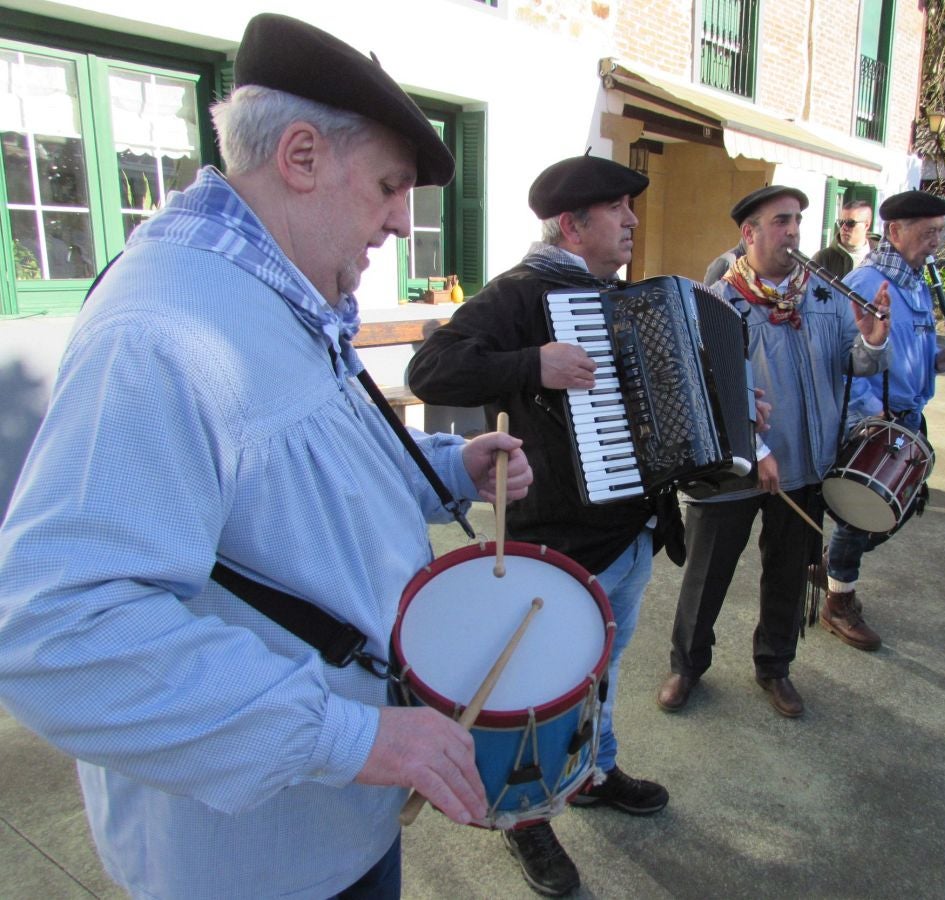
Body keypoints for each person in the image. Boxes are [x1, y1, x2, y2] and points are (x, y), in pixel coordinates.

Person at [0, 14, 534, 899]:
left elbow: (293, 483)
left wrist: (444, 468)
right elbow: (59, 633)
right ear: (300, 156)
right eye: (388, 185)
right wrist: (353, 738)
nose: (403, 222)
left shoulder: (271, 284)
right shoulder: (163, 332)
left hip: (338, 814)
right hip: (260, 863)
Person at [407, 153, 672, 897]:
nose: (631, 222)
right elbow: (433, 368)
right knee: (536, 684)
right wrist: (533, 364)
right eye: (618, 209)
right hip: (558, 540)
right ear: (571, 223)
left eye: (630, 209)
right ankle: (525, 815)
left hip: (631, 531)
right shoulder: (523, 293)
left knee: (603, 669)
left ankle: (592, 770)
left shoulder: (620, 299)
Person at [656, 185, 890, 719]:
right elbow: (705, 386)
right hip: (733, 466)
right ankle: (686, 667)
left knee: (788, 572)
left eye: (798, 222)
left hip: (805, 466)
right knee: (707, 571)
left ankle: (775, 668)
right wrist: (756, 446)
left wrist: (873, 341)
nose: (792, 232)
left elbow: (854, 365)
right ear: (750, 233)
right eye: (781, 221)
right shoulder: (719, 300)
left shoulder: (827, 297)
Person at [820, 190, 945, 651]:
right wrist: (867, 417)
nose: (934, 243)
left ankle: (831, 567)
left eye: (939, 234)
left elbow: (910, 351)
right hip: (878, 422)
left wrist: (941, 361)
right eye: (928, 233)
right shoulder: (868, 282)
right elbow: (847, 357)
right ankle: (838, 600)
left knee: (898, 510)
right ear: (896, 231)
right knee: (861, 516)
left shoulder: (916, 281)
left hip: (911, 415)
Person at [811, 198, 878, 279]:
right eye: (841, 222)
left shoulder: (881, 256)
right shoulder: (822, 258)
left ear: (866, 225)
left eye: (850, 223)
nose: (844, 227)